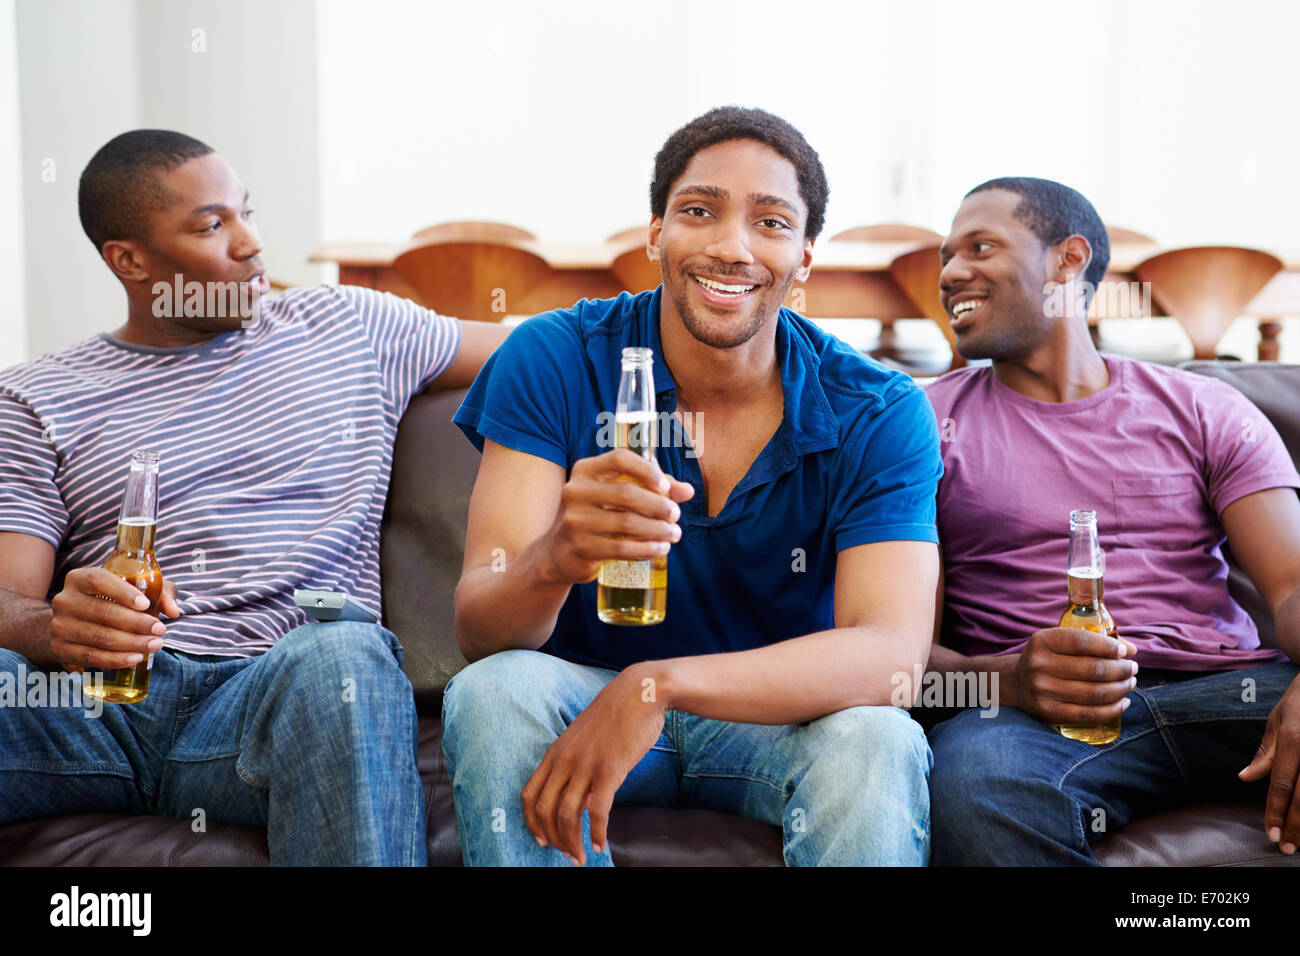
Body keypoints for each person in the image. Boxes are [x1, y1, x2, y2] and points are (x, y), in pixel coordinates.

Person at [442, 106, 942, 867]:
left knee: (879, 736)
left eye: (771, 223)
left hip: (774, 723)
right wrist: (553, 559)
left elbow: (892, 655)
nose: (731, 247)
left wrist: (659, 685)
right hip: (582, 697)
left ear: (805, 258)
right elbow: (481, 630)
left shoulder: (878, 407)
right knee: (495, 693)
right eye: (699, 211)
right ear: (654, 234)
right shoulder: (554, 354)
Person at [0, 129, 507, 865]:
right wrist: (53, 629)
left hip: (272, 698)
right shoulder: (36, 395)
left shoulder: (349, 329)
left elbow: (554, 347)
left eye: (246, 212)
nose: (251, 244)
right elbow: (9, 601)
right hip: (90, 711)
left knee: (346, 652)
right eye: (212, 225)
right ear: (130, 260)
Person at [923, 176, 1300, 865]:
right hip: (1034, 717)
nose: (950, 273)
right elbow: (899, 658)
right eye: (946, 257)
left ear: (1068, 261)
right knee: (974, 787)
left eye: (980, 247)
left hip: (1229, 693)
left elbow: (1292, 586)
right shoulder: (921, 425)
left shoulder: (1206, 408)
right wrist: (1008, 680)